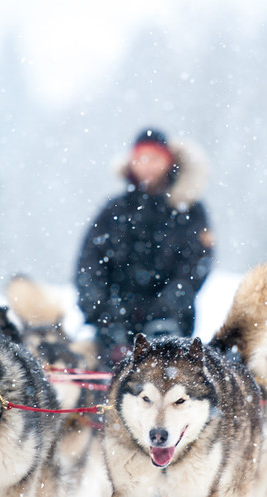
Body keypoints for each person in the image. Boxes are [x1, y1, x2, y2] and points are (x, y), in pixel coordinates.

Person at [75, 128, 215, 368]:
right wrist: (103, 311)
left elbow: (197, 264)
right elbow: (89, 264)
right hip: (114, 327)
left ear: (169, 162)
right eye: (141, 158)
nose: (147, 165)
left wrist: (170, 303)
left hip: (171, 325)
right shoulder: (113, 210)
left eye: (155, 158)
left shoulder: (190, 209)